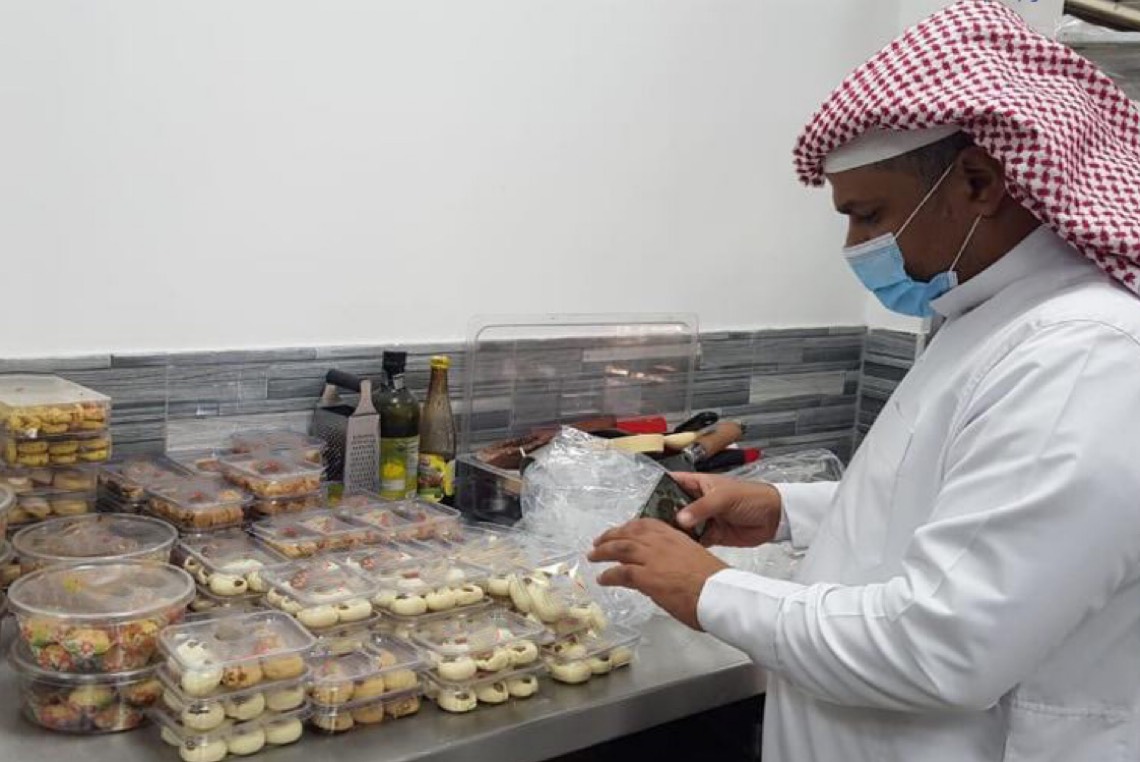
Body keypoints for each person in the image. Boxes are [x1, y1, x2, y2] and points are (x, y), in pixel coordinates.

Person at [589, 1, 1140, 760]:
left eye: (870, 215)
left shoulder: (1087, 357)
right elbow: (955, 506)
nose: (856, 246)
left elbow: (943, 649)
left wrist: (709, 588)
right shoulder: (990, 316)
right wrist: (787, 509)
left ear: (979, 182)